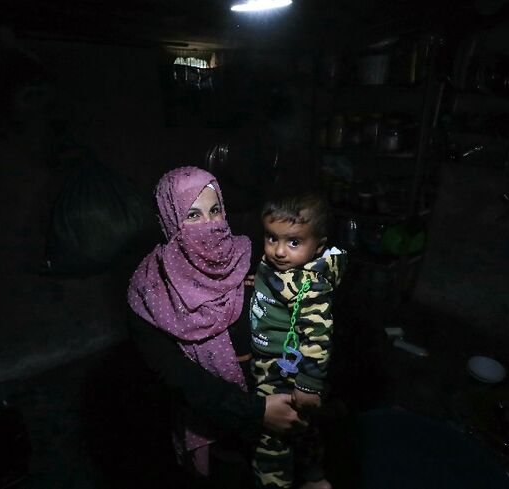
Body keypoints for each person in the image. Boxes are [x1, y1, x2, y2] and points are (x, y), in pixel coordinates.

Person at [127, 166, 302, 486]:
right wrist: (256, 411)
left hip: (279, 404)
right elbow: (179, 377)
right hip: (216, 420)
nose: (210, 225)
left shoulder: (250, 257)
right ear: (170, 220)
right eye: (192, 215)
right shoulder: (151, 290)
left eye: (215, 210)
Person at [248, 192, 347, 489]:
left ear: (318, 246)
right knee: (303, 428)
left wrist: (308, 384)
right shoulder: (276, 266)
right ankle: (315, 478)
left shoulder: (311, 286)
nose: (278, 251)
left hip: (282, 373)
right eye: (271, 237)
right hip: (269, 363)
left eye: (293, 242)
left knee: (271, 440)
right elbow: (277, 282)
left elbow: (319, 337)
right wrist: (259, 284)